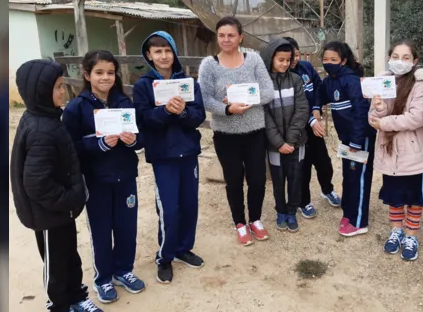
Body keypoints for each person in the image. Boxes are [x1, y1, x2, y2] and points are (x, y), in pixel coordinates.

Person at [10, 59, 102, 312]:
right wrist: (70, 199)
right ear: (40, 92)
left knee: (69, 256)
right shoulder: (41, 129)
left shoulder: (47, 118)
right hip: (50, 213)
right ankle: (59, 304)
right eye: (58, 87)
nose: (63, 92)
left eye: (62, 85)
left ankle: (76, 297)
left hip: (60, 212)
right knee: (56, 265)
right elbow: (37, 183)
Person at [62, 51, 146, 303]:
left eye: (110, 72)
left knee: (126, 227)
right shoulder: (77, 107)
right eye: (99, 72)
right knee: (101, 230)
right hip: (96, 180)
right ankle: (103, 278)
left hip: (125, 177)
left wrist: (134, 141)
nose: (105, 78)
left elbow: (141, 137)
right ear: (87, 75)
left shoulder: (125, 103)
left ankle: (123, 271)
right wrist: (97, 145)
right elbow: (69, 147)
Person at [133, 31, 206, 284]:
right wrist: (165, 112)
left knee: (189, 206)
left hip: (188, 154)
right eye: (157, 51)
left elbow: (198, 117)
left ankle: (184, 248)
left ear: (174, 53)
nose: (164, 56)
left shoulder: (188, 82)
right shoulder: (143, 86)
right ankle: (164, 257)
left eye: (168, 50)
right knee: (169, 209)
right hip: (163, 156)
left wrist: (184, 111)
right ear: (149, 56)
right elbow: (144, 120)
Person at [198, 16, 275, 246]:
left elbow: (268, 91)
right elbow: (205, 99)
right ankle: (240, 223)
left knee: (258, 179)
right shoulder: (209, 65)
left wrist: (248, 101)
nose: (226, 39)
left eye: (231, 35)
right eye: (221, 35)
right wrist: (227, 109)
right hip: (225, 135)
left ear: (240, 37)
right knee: (233, 181)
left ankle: (256, 220)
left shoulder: (253, 59)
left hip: (254, 131)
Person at [368, 41, 423, 261]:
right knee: (394, 196)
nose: (399, 61)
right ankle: (396, 230)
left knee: (414, 198)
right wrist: (378, 109)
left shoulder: (420, 83)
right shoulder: (383, 81)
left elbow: (417, 118)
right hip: (388, 149)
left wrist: (383, 122)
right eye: (395, 56)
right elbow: (373, 117)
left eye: (406, 58)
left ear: (415, 61)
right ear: (389, 58)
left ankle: (411, 235)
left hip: (412, 151)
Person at [314, 41, 375, 237]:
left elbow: (361, 111)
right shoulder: (329, 80)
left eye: (333, 59)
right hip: (345, 139)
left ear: (343, 61)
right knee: (349, 176)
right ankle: (349, 212)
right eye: (325, 59)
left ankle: (359, 221)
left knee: (360, 178)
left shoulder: (352, 80)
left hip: (360, 139)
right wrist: (316, 107)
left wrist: (357, 140)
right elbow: (319, 95)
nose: (328, 63)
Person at [284, 37, 341, 219]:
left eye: (297, 55)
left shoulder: (306, 68)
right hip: (297, 129)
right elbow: (292, 105)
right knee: (303, 168)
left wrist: (316, 108)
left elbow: (318, 87)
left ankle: (327, 189)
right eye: (290, 56)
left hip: (313, 125)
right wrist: (311, 119)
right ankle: (303, 201)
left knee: (324, 163)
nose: (294, 59)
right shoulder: (281, 76)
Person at [262, 38, 310, 232]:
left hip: (297, 142)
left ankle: (292, 211)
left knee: (296, 177)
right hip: (274, 144)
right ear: (271, 58)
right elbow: (264, 115)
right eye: (280, 59)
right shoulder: (264, 83)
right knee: (278, 178)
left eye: (288, 60)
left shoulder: (296, 80)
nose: (284, 63)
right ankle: (280, 211)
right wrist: (279, 142)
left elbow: (302, 109)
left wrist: (290, 140)